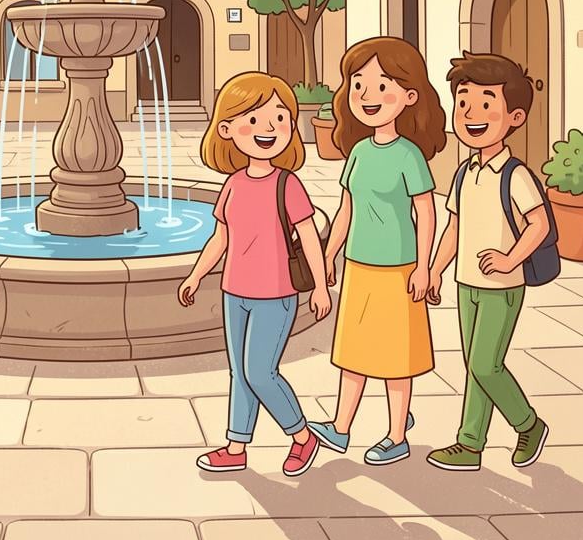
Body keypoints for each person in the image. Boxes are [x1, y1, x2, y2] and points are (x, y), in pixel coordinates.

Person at [178, 72, 330, 478]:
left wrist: (319, 285)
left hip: (276, 294)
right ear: (227, 129)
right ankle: (236, 445)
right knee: (239, 372)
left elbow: (309, 237)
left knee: (260, 371)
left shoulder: (288, 184)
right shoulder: (232, 185)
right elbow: (220, 237)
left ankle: (301, 435)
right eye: (256, 119)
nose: (269, 129)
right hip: (235, 292)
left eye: (280, 119)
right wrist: (195, 275)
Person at [309, 36, 445, 466]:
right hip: (359, 267)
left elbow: (426, 213)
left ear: (408, 96)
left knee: (396, 358)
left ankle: (396, 434)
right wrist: (330, 255)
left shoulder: (409, 157)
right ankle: (340, 428)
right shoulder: (359, 153)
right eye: (359, 84)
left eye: (382, 85)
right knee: (353, 352)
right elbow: (346, 208)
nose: (368, 96)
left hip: (399, 269)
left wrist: (424, 267)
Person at [426, 52, 552, 472]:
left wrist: (509, 258)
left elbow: (539, 224)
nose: (471, 114)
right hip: (467, 283)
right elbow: (455, 228)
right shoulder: (465, 172)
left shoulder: (514, 174)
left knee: (485, 363)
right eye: (463, 102)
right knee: (475, 365)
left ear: (514, 117)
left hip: (503, 287)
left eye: (485, 104)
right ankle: (470, 443)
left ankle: (528, 424)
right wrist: (434, 270)